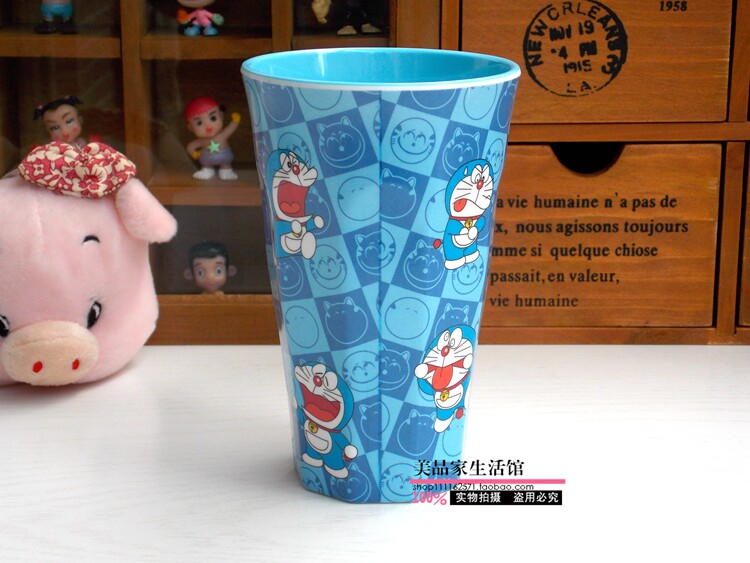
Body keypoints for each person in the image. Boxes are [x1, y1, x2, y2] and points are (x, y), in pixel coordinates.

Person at [185, 97, 240, 180]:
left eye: (213, 118)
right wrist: (195, 154)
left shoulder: (222, 135)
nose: (207, 125)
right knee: (206, 164)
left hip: (224, 157)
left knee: (226, 163)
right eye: (199, 123)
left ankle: (226, 169)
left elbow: (230, 128)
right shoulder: (201, 141)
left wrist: (235, 121)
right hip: (206, 159)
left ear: (221, 116)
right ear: (191, 128)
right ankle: (207, 169)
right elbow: (190, 146)